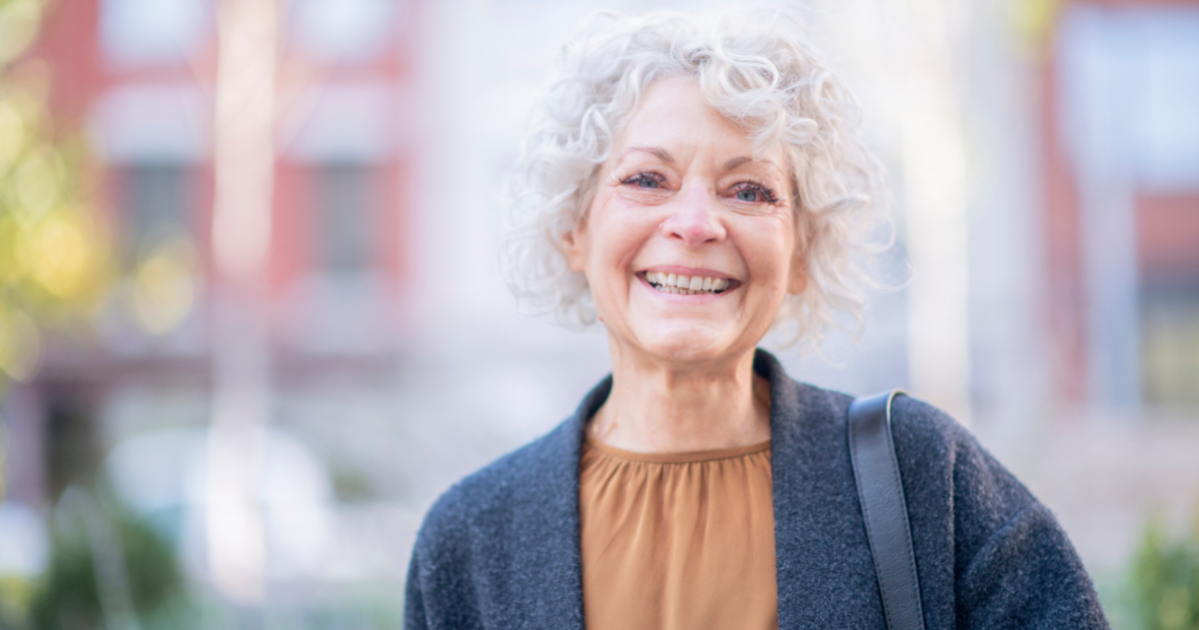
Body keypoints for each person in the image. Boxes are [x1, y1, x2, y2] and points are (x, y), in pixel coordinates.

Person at [405, 8, 1109, 630]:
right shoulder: (469, 540)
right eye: (647, 179)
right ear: (573, 230)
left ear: (802, 249)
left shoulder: (922, 478)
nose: (695, 223)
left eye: (749, 190)